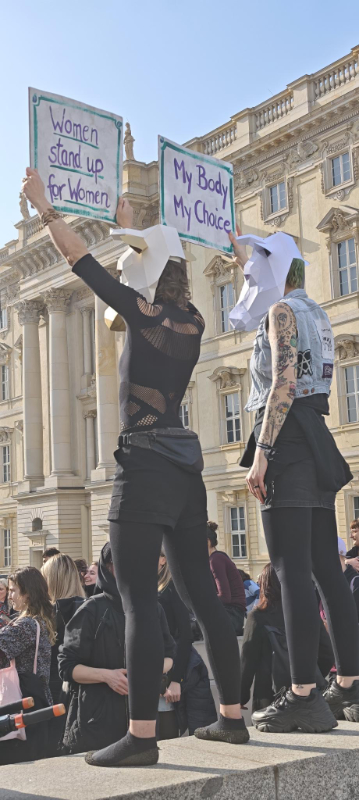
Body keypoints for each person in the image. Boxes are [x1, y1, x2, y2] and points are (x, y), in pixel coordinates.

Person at [22, 168, 249, 768]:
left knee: (137, 603)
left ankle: (142, 736)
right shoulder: (193, 321)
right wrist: (134, 230)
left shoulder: (141, 315)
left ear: (147, 275)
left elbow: (79, 260)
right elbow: (145, 268)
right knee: (202, 597)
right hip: (186, 468)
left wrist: (46, 209)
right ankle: (233, 719)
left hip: (142, 463)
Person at [229, 232, 359, 732]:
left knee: (289, 572)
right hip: (318, 439)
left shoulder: (280, 314)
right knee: (328, 570)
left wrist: (261, 453)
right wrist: (238, 248)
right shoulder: (318, 313)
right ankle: (348, 682)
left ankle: (303, 692)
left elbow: (282, 380)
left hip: (284, 441)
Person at [58, 542, 175, 754]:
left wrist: (151, 672)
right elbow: (66, 666)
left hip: (142, 719)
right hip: (95, 722)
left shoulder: (152, 608)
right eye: (121, 563)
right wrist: (107, 676)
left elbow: (169, 655)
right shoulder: (91, 609)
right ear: (108, 567)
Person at [240, 564, 334, 713]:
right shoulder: (307, 613)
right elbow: (327, 653)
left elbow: (247, 661)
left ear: (265, 585)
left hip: (269, 695)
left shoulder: (257, 616)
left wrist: (241, 696)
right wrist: (311, 676)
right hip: (309, 694)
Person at [158, 552, 217, 738]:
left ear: (163, 559)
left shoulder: (172, 586)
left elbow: (185, 635)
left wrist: (176, 680)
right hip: (168, 666)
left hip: (183, 669)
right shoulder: (153, 586)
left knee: (193, 733)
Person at [0, 567, 55, 764]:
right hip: (36, 700)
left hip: (23, 702)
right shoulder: (38, 621)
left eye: (13, 590)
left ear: (28, 594)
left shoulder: (25, 625)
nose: (10, 595)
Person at [41, 554, 85, 703]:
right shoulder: (88, 606)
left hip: (57, 686)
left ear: (52, 580)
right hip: (84, 686)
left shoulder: (52, 612)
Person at [207, 522, 246, 635]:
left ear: (208, 542)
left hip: (231, 614)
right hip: (233, 613)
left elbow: (225, 597)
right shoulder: (217, 557)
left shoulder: (215, 560)